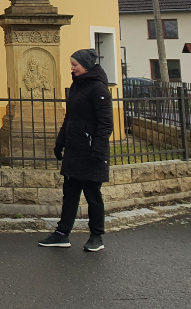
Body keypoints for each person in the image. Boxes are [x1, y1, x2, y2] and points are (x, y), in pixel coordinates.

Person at [38, 48, 113, 252]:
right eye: (71, 64)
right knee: (70, 194)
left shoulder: (98, 89)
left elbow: (106, 124)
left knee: (92, 195)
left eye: (75, 65)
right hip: (74, 149)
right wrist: (60, 142)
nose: (72, 68)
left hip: (90, 152)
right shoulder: (77, 86)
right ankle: (62, 234)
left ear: (86, 66)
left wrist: (97, 151)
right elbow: (70, 118)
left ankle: (97, 236)